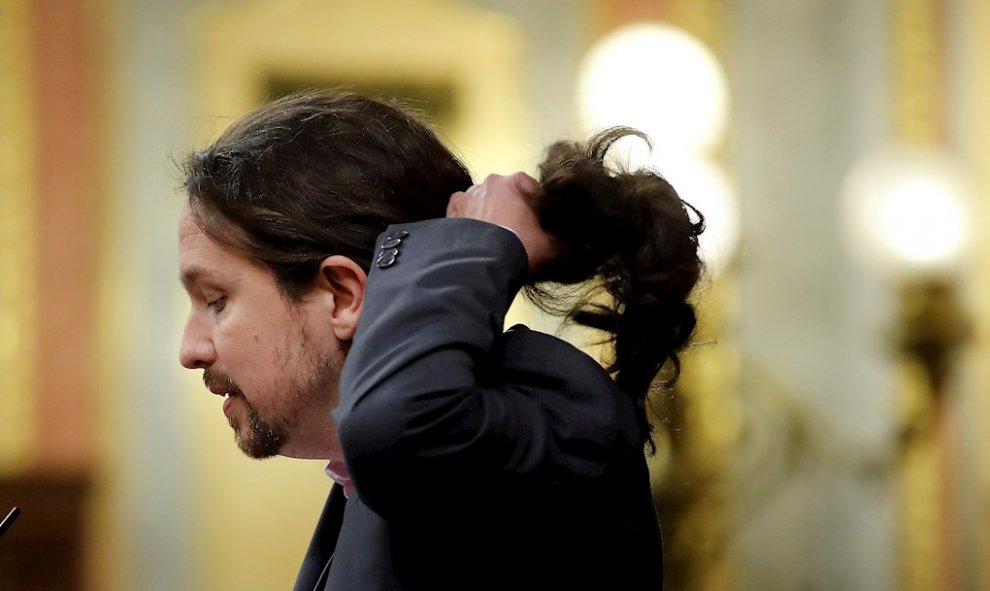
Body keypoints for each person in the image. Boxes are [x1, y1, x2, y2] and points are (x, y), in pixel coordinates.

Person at [178, 89, 704, 590]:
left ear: (342, 296)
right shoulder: (397, 451)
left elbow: (398, 430)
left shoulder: (546, 406)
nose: (190, 349)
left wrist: (474, 248)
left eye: (216, 299)